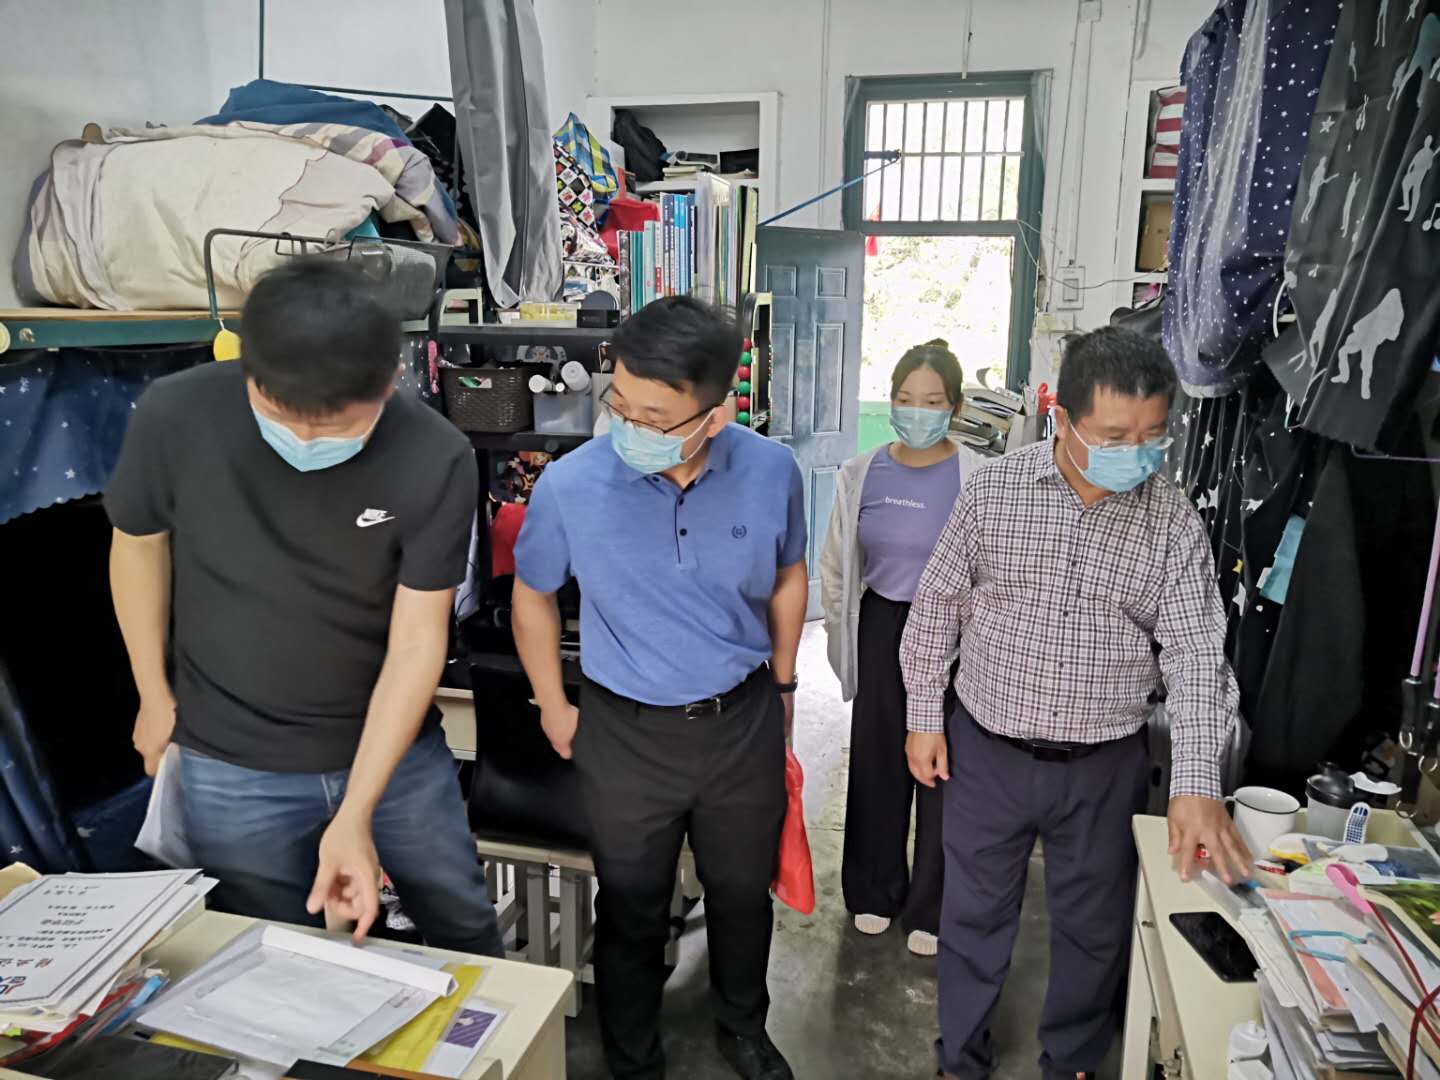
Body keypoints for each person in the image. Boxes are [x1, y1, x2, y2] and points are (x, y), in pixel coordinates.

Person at [106, 259, 503, 956]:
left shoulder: (435, 455)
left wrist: (357, 810)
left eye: (338, 427)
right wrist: (151, 692)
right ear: (249, 371)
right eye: (285, 418)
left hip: (394, 753)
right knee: (269, 950)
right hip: (229, 757)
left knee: (462, 924)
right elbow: (138, 546)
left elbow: (418, 640)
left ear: (390, 381)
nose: (309, 443)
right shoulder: (173, 415)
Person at [900, 326, 1249, 1080]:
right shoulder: (994, 491)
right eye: (1115, 437)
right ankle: (960, 1056)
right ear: (1062, 419)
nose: (1137, 453)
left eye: (1153, 436)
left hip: (1103, 764)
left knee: (1094, 927)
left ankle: (1074, 1061)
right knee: (973, 915)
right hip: (986, 753)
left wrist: (1196, 781)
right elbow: (936, 608)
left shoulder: (1170, 519)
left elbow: (1195, 654)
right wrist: (923, 716)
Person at [511, 296, 807, 1080]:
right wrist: (553, 704)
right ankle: (631, 1054)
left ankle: (742, 1027)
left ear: (716, 412)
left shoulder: (770, 471)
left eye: (654, 417)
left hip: (739, 723)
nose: (629, 427)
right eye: (620, 405)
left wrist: (784, 685)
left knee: (741, 895)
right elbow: (534, 593)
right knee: (631, 902)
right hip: (625, 732)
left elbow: (789, 574)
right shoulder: (571, 485)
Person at [818, 339, 981, 958]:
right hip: (883, 622)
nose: (918, 411)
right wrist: (842, 635)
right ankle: (873, 889)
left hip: (958, 634)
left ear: (955, 407)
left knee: (945, 766)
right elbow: (838, 565)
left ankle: (932, 906)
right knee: (878, 759)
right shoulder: (861, 473)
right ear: (890, 401)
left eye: (933, 401)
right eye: (906, 398)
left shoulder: (978, 477)